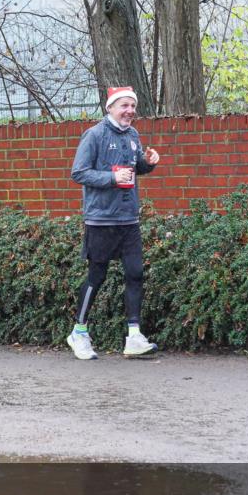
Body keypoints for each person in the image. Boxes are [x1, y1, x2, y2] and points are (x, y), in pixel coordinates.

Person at [67, 86, 161, 360]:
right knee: (98, 275)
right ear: (110, 108)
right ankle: (79, 332)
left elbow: (135, 168)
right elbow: (79, 173)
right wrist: (111, 178)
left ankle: (134, 336)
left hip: (128, 217)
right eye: (124, 106)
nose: (130, 111)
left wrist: (147, 162)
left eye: (133, 106)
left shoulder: (133, 135)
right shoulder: (94, 135)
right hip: (101, 219)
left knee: (135, 273)